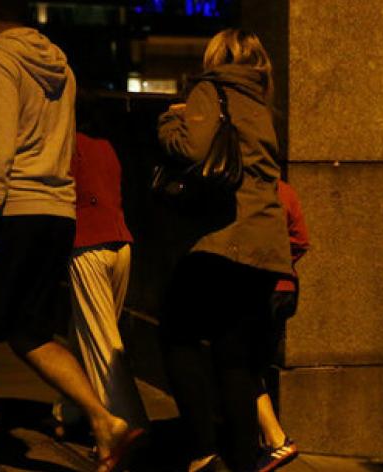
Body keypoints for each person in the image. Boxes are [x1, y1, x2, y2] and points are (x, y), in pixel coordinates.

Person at [0, 1, 143, 471]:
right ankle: (105, 421)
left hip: (12, 209)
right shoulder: (61, 66)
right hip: (57, 212)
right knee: (29, 331)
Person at [157, 29, 293, 472]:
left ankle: (202, 452)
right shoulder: (260, 103)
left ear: (217, 55)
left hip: (221, 239)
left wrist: (169, 122)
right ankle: (241, 460)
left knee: (176, 332)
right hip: (265, 246)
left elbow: (192, 147)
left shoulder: (209, 89)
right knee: (234, 357)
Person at [52, 91, 149, 438]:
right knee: (87, 330)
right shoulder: (107, 146)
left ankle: (129, 423)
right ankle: (72, 408)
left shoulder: (64, 146)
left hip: (87, 244)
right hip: (121, 243)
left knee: (100, 337)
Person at [255, 178, 309, 471]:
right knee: (258, 360)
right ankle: (269, 437)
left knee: (241, 362)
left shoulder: (247, 189)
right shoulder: (285, 190)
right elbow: (301, 240)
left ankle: (276, 439)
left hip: (259, 288)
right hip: (286, 288)